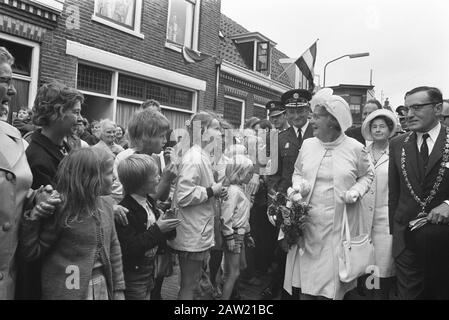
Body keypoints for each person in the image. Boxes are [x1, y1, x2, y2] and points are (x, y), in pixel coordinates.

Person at [285, 88, 374, 300]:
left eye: (316, 116)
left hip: (339, 227)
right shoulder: (307, 145)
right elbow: (298, 171)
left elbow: (367, 175)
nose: (310, 119)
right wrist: (298, 187)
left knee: (331, 288)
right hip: (309, 227)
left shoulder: (355, 148)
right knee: (307, 285)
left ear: (333, 120)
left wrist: (356, 190)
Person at [19, 148, 126, 300]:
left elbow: (114, 247)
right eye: (109, 172)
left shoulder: (107, 203)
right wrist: (34, 218)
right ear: (91, 178)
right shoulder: (61, 208)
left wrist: (118, 289)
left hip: (101, 287)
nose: (115, 177)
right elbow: (32, 252)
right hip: (65, 293)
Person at [0, 46, 59, 300]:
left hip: (11, 279)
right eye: (5, 81)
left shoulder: (14, 137)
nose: (13, 90)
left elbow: (17, 192)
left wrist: (37, 198)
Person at [389, 86, 449, 299]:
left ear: (438, 108)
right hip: (406, 240)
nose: (409, 114)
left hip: (443, 238)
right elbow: (394, 193)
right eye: (407, 108)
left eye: (416, 107)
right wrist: (394, 237)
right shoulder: (397, 144)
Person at [168, 111, 227, 300]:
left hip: (197, 231)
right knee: (189, 285)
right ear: (202, 131)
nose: (221, 133)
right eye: (216, 128)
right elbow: (184, 195)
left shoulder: (201, 155)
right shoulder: (194, 157)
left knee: (193, 283)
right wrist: (211, 190)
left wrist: (213, 190)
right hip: (192, 233)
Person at [264, 89, 314, 300]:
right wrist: (275, 204)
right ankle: (286, 293)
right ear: (286, 113)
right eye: (291, 112)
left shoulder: (318, 133)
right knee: (287, 252)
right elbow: (273, 176)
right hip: (287, 205)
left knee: (312, 252)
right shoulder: (277, 138)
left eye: (300, 111)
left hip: (313, 202)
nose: (296, 116)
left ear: (308, 110)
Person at [116, 154, 180, 300]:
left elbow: (160, 234)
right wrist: (159, 228)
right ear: (140, 182)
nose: (159, 178)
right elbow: (130, 248)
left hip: (149, 269)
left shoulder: (148, 202)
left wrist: (168, 224)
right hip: (134, 274)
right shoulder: (125, 210)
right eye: (155, 175)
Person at [360, 109, 397, 299]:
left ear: (390, 129)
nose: (377, 130)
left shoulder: (397, 152)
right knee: (368, 267)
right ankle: (370, 294)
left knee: (383, 267)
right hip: (364, 219)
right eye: (374, 126)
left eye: (382, 126)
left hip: (385, 218)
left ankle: (379, 296)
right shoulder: (362, 152)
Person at [220, 154, 255, 300]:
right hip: (233, 235)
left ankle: (232, 295)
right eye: (249, 173)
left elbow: (242, 216)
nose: (251, 176)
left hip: (238, 234)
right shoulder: (234, 191)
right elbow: (226, 215)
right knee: (233, 273)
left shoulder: (239, 190)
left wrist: (247, 234)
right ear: (240, 172)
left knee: (238, 268)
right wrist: (228, 236)